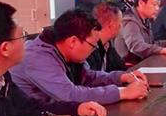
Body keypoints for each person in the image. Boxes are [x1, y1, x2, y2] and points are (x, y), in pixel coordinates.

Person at [12, 9, 148, 106]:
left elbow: (88, 76)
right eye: (92, 45)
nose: (94, 49)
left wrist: (121, 77)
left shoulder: (64, 50)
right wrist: (122, 92)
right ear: (73, 41)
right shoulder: (38, 58)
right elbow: (69, 95)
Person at [115, 0, 166, 64]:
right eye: (154, 5)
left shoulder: (146, 20)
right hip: (130, 66)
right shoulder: (130, 21)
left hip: (143, 62)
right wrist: (162, 50)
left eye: (158, 5)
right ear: (141, 3)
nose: (157, 9)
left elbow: (149, 44)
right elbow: (136, 46)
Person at [87, 2, 127, 72]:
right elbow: (91, 77)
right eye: (119, 22)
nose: (121, 26)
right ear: (111, 25)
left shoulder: (107, 44)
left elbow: (121, 67)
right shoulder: (89, 50)